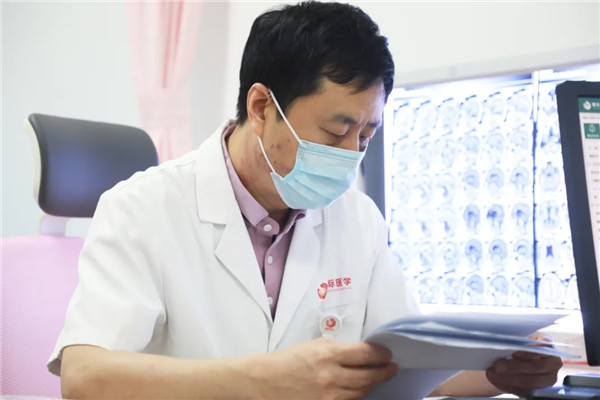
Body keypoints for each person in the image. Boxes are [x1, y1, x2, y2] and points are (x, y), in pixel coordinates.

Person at [50, 2, 562, 398]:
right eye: (335, 131)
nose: (351, 154)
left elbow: (409, 366)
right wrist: (265, 379)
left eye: (366, 135)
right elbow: (85, 376)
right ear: (261, 107)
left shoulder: (356, 219)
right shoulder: (142, 209)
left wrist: (498, 371)